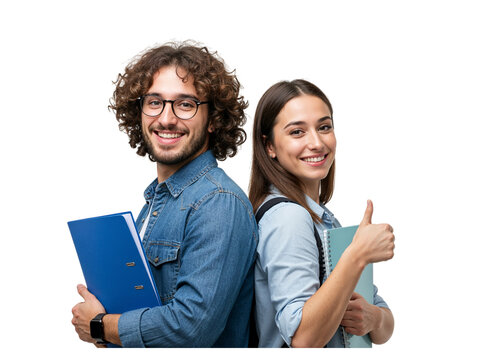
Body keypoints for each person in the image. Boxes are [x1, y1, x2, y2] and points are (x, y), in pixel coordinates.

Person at [71, 42, 257, 348]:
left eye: (185, 105)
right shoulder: (158, 200)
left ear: (213, 120)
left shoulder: (218, 201)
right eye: (155, 102)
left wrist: (101, 325)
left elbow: (191, 328)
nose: (167, 119)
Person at [249, 79, 395, 348]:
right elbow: (304, 339)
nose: (316, 143)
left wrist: (372, 318)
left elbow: (385, 324)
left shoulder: (323, 219)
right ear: (269, 146)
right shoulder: (287, 218)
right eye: (297, 132)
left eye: (324, 127)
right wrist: (358, 254)